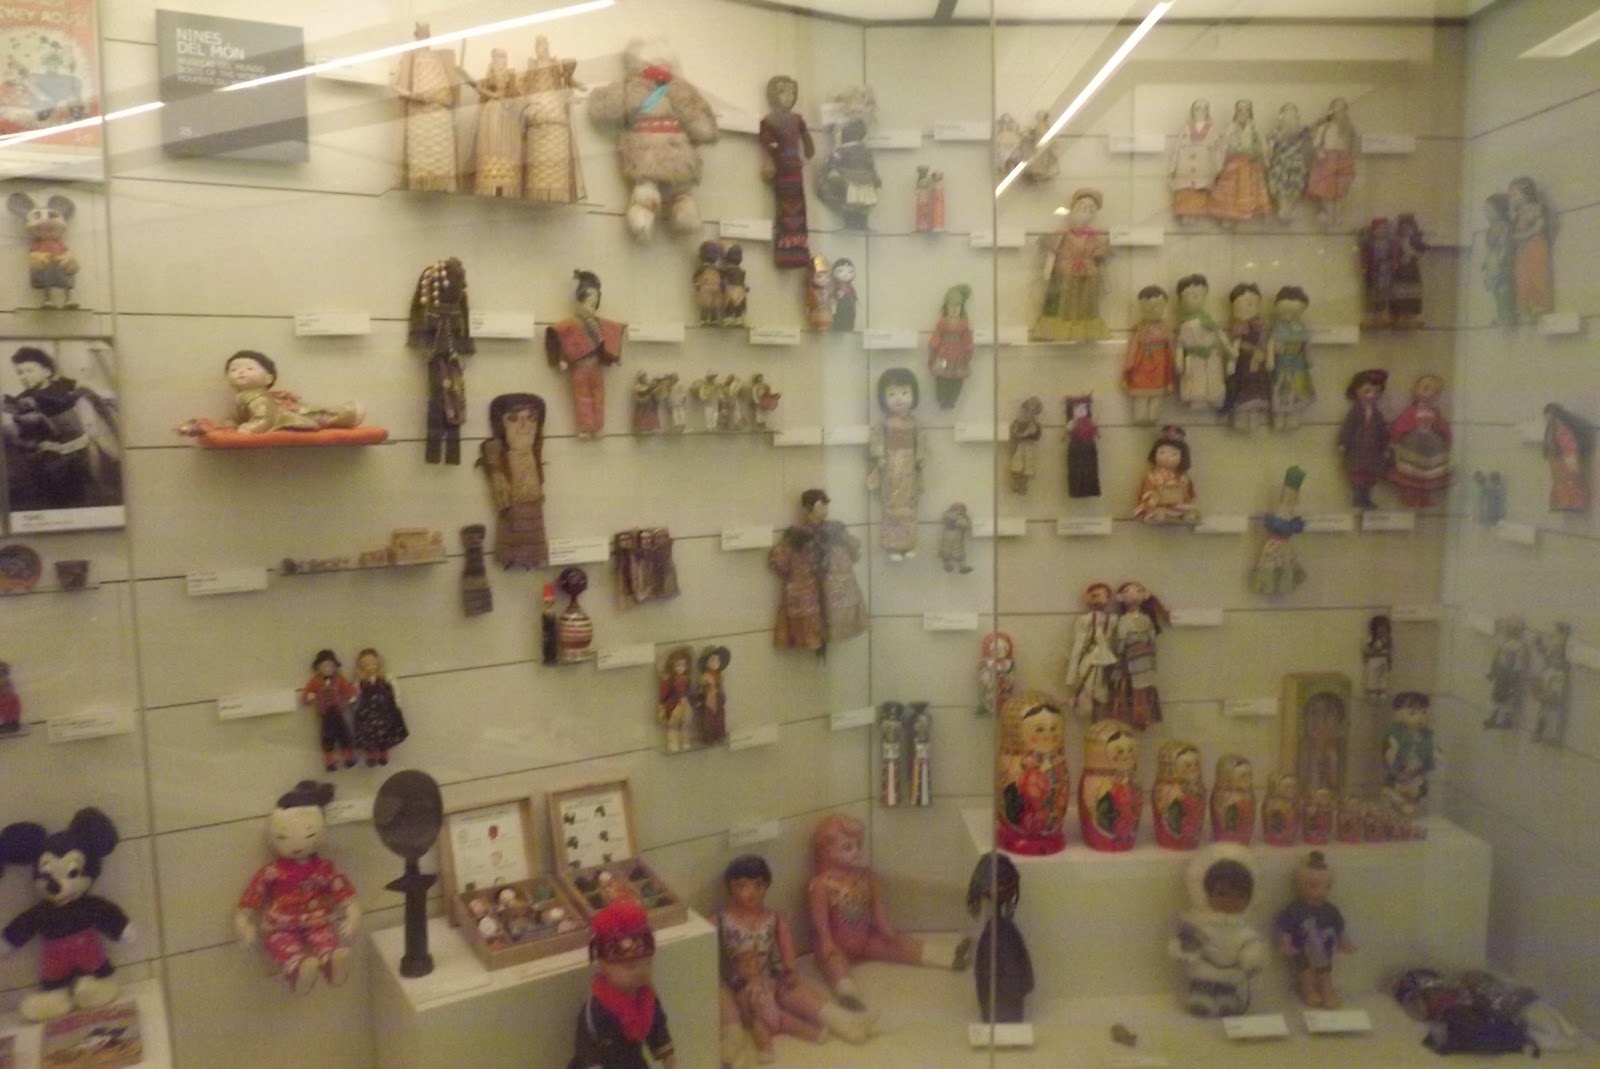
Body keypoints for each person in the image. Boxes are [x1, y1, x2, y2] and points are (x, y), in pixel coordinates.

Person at [716, 854, 871, 1057]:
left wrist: (790, 970)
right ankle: (733, 1038)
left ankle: (842, 1021)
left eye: (759, 885)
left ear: (767, 886)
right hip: (737, 984)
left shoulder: (775, 918)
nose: (751, 892)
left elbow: (787, 950)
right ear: (731, 888)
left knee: (794, 990)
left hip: (767, 979)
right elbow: (700, 946)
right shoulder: (721, 919)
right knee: (721, 993)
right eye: (742, 886)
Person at [3, 346, 120, 511]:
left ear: (46, 372)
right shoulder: (24, 399)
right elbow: (15, 423)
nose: (24, 376)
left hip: (82, 451)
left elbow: (83, 385)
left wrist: (104, 394)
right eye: (20, 372)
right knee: (61, 498)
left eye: (29, 370)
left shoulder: (61, 384)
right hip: (53, 459)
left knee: (88, 492)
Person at [567, 900, 675, 1069]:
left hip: (633, 1062)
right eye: (630, 967)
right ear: (603, 965)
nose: (639, 971)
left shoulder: (647, 1000)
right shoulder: (597, 1009)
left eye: (646, 964)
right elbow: (587, 1047)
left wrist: (668, 1056)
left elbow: (657, 1028)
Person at [545, 270, 624, 437]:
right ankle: (586, 427)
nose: (592, 306)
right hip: (579, 367)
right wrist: (562, 358)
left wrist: (614, 353)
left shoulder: (600, 324)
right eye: (590, 302)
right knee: (582, 398)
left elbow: (612, 334)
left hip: (595, 366)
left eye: (595, 303)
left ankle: (598, 427)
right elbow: (560, 337)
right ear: (580, 300)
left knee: (598, 397)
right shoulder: (570, 324)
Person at [477, 393, 548, 569]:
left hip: (533, 509)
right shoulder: (497, 455)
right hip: (513, 513)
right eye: (513, 418)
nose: (524, 425)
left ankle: (531, 557)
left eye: (531, 418)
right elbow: (501, 499)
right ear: (500, 424)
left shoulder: (534, 453)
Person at [759, 75, 815, 268]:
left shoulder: (797, 119)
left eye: (792, 93)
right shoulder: (769, 120)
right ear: (773, 95)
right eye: (783, 92)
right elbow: (766, 139)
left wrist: (809, 149)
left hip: (795, 169)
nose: (789, 97)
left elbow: (806, 137)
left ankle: (798, 250)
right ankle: (786, 250)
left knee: (799, 208)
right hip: (782, 169)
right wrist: (771, 157)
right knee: (784, 210)